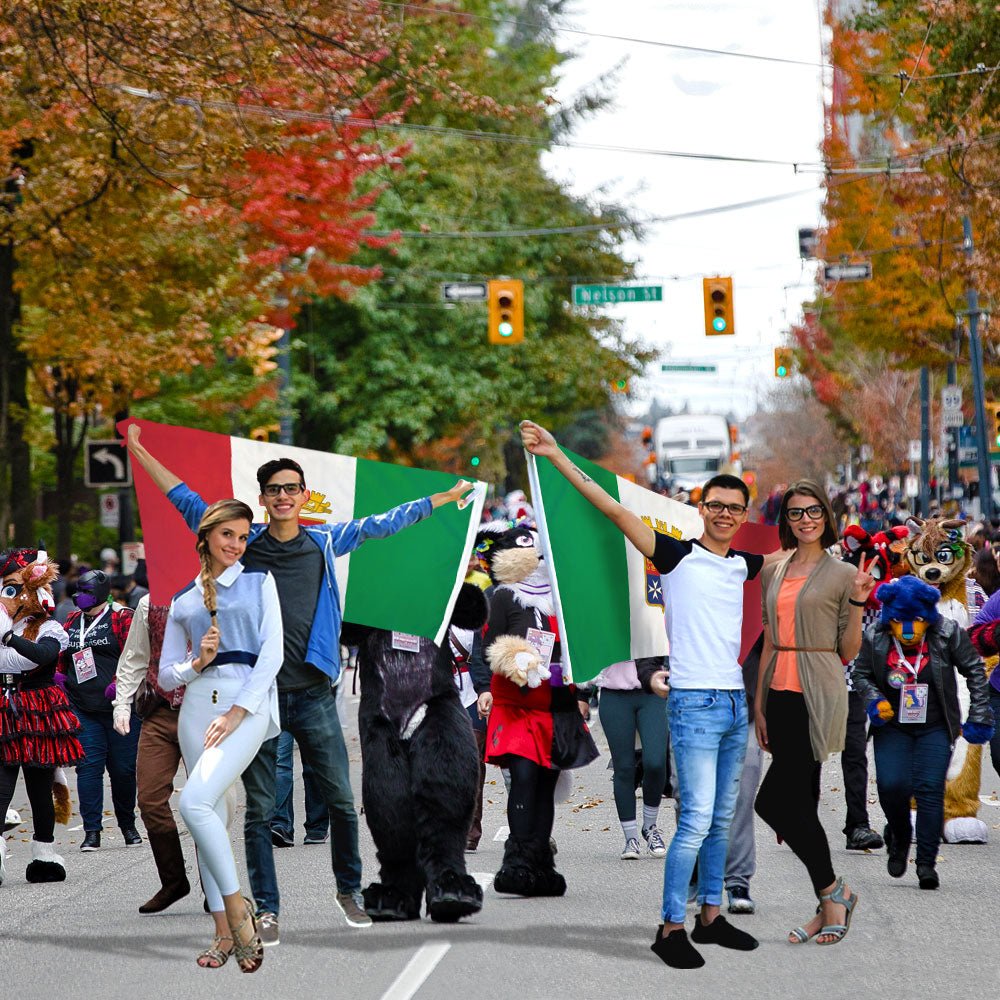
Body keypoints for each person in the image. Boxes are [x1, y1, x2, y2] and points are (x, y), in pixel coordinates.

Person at [127, 423, 473, 942]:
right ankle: (266, 909)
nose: (285, 496)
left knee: (338, 798)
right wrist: (139, 451)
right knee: (261, 811)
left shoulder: (325, 541)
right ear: (262, 499)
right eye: (275, 490)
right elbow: (186, 500)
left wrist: (442, 498)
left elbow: (383, 524)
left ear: (304, 495)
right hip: (257, 699)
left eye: (293, 488)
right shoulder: (245, 545)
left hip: (313, 694)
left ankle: (349, 892)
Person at [520, 419, 767, 970]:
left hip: (733, 703)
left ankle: (710, 916)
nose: (725, 513)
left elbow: (799, 559)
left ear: (744, 516)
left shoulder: (744, 566)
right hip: (694, 702)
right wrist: (559, 456)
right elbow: (611, 509)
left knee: (721, 818)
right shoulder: (677, 555)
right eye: (716, 505)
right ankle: (669, 927)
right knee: (697, 819)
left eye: (735, 507)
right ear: (701, 508)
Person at [159, 498, 281, 972]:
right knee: (208, 815)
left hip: (245, 705)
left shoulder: (259, 581)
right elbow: (166, 677)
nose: (236, 544)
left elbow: (272, 655)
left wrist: (236, 711)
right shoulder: (185, 601)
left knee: (192, 802)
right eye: (228, 534)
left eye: (243, 536)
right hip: (196, 709)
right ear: (207, 535)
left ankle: (238, 916)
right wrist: (197, 663)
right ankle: (221, 935)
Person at [754, 480, 874, 946]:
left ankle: (833, 892)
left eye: (813, 512)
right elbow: (768, 637)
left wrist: (860, 602)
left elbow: (846, 650)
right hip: (778, 692)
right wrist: (760, 704)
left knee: (771, 802)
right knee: (799, 804)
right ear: (785, 520)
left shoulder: (843, 573)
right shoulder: (773, 569)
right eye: (795, 513)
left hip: (817, 691)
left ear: (827, 516)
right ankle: (828, 902)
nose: (805, 520)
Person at [856, 575, 993, 889]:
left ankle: (927, 863)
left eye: (916, 621)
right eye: (901, 621)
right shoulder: (875, 636)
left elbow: (974, 669)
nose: (908, 629)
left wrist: (980, 713)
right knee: (892, 786)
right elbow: (862, 675)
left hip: (935, 726)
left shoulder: (947, 633)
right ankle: (900, 835)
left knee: (930, 790)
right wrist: (875, 701)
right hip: (892, 726)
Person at [0, 547, 81, 885]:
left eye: (15, 588)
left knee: (39, 787)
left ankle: (44, 854)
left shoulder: (49, 628)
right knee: (2, 788)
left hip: (37, 710)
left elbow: (41, 657)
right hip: (4, 707)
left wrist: (7, 639)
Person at [112, 595, 192, 913]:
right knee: (149, 799)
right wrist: (121, 703)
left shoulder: (221, 592)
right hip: (159, 712)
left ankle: (216, 884)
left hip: (204, 712)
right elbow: (134, 658)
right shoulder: (149, 603)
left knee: (206, 801)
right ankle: (173, 880)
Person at [60, 570, 141, 851]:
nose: (78, 595)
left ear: (100, 591)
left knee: (123, 771)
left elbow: (137, 656)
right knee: (88, 769)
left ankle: (128, 826)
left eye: (85, 590)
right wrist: (59, 677)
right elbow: (63, 654)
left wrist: (120, 684)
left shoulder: (122, 617)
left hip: (121, 707)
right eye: (78, 590)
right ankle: (92, 831)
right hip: (83, 707)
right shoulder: (72, 620)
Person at [591, 658, 668, 861]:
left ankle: (650, 827)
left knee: (656, 761)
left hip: (652, 691)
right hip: (614, 693)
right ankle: (630, 837)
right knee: (624, 767)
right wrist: (582, 695)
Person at [270, 729, 329, 847]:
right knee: (280, 762)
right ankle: (281, 825)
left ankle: (317, 828)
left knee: (312, 764)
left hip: (312, 711)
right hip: (282, 711)